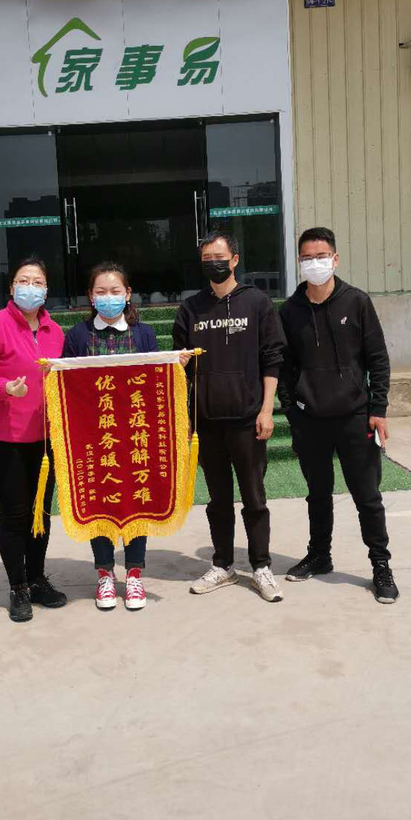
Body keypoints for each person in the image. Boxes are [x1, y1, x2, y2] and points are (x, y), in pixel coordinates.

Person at [277, 227, 399, 604]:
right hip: (310, 419)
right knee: (317, 494)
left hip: (354, 417)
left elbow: (377, 359)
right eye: (307, 258)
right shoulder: (290, 311)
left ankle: (380, 565)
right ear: (299, 262)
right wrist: (292, 412)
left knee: (367, 496)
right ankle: (319, 555)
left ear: (335, 258)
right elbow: (284, 367)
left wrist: (378, 409)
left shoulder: (357, 302)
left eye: (321, 256)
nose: (315, 263)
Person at [173, 232, 286, 602]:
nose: (214, 264)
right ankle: (222, 565)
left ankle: (261, 567)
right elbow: (178, 368)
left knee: (254, 498)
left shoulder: (257, 303)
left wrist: (266, 409)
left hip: (248, 419)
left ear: (235, 259)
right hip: (207, 422)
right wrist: (181, 366)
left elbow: (272, 359)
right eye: (207, 259)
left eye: (219, 257)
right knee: (218, 500)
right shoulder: (191, 309)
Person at [63, 262, 183, 611]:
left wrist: (176, 365)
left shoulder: (143, 334)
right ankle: (104, 573)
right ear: (91, 297)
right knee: (99, 502)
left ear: (128, 294)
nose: (108, 297)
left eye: (115, 291)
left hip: (135, 434)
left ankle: (133, 573)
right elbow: (67, 384)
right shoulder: (78, 336)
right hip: (94, 435)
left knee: (137, 499)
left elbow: (155, 378)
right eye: (101, 291)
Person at [0, 257, 67, 623]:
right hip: (2, 439)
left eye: (37, 282)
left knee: (41, 512)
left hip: (45, 439)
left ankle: (37, 580)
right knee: (16, 513)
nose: (30, 287)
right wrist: (4, 387)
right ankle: (17, 587)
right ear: (11, 287)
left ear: (47, 290)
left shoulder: (55, 332)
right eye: (23, 280)